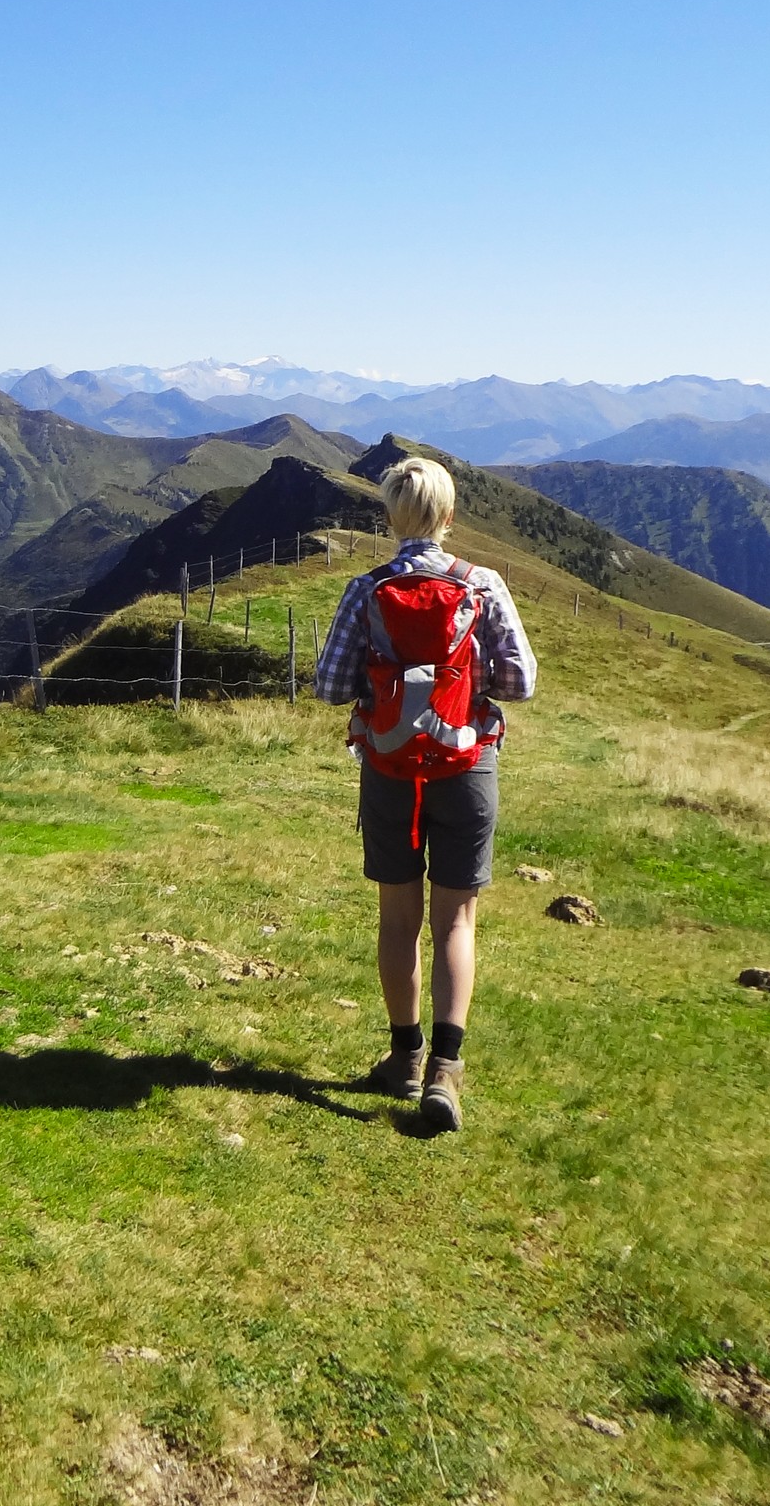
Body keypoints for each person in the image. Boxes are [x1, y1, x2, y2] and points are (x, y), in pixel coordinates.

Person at [314, 456, 538, 1131]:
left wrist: (388, 693)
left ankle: (404, 1058)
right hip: (466, 765)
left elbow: (328, 685)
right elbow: (520, 682)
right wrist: (461, 690)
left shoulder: (367, 588)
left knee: (397, 919)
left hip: (388, 769)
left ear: (390, 515)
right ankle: (447, 1069)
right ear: (447, 515)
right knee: (455, 923)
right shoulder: (482, 584)